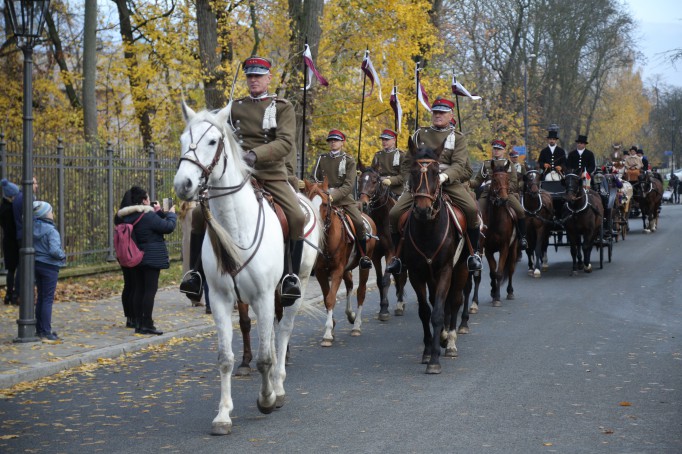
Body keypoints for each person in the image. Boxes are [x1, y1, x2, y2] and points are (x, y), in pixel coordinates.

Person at [228, 55, 306, 304]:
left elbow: (284, 142)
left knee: (296, 216)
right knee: (200, 214)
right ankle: (196, 273)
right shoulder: (234, 107)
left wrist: (255, 155)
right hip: (239, 173)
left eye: (258, 76)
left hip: (270, 173)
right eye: (250, 76)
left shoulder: (281, 106)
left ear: (268, 78)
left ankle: (290, 275)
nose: (253, 80)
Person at [386, 97, 481, 274]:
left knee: (470, 209)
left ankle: (473, 254)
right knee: (394, 213)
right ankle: (397, 256)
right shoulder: (419, 134)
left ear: (450, 115)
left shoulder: (457, 137)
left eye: (442, 113)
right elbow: (407, 163)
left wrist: (444, 176)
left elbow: (459, 165)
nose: (438, 115)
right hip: (420, 183)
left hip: (447, 180)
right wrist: (411, 181)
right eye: (435, 112)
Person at [313, 129, 372, 269]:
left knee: (358, 222)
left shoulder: (349, 160)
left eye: (336, 140)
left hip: (343, 200)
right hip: (323, 199)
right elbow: (315, 178)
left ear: (342, 142)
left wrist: (333, 195)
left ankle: (363, 255)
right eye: (330, 140)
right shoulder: (322, 158)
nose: (333, 142)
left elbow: (349, 185)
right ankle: (313, 257)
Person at [122, 186, 176, 335]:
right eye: (147, 197)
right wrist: (171, 214)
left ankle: (138, 323)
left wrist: (158, 211)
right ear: (144, 200)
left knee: (139, 289)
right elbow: (168, 227)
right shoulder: (147, 215)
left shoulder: (128, 216)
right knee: (149, 291)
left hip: (135, 256)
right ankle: (147, 324)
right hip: (151, 257)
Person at [470, 140, 527, 249]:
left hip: (505, 193)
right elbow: (477, 181)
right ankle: (475, 240)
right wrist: (468, 182)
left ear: (504, 151)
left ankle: (522, 238)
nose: (496, 151)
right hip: (487, 193)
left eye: (499, 149)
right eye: (495, 149)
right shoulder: (486, 164)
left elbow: (514, 182)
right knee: (476, 212)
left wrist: (504, 190)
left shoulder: (509, 164)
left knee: (520, 211)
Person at [32, 201, 66, 343]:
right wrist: (62, 254)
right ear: (46, 214)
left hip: (37, 264)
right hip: (50, 267)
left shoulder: (32, 228)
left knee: (40, 298)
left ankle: (39, 329)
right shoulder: (52, 231)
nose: (52, 213)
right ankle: (46, 332)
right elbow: (54, 251)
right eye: (51, 211)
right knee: (47, 299)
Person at [12, 176, 38, 306]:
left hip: (20, 234)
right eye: (34, 183)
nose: (36, 186)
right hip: (26, 235)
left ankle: (19, 294)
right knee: (26, 266)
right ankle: (22, 295)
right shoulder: (27, 198)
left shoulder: (17, 197)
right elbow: (31, 217)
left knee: (22, 266)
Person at [114, 189, 136, 328]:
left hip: (122, 253)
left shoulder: (119, 216)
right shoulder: (135, 215)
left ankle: (128, 316)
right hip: (133, 252)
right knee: (136, 286)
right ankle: (135, 316)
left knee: (128, 285)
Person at [0, 179, 20, 305]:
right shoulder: (11, 209)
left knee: (10, 269)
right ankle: (13, 294)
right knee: (16, 268)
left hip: (7, 241)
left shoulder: (2, 207)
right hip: (14, 242)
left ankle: (8, 294)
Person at [370, 128, 405, 197]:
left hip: (396, 191)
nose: (384, 142)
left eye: (387, 139)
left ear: (394, 140)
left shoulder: (401, 155)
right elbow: (372, 172)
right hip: (379, 190)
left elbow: (403, 176)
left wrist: (390, 180)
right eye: (383, 139)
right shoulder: (378, 155)